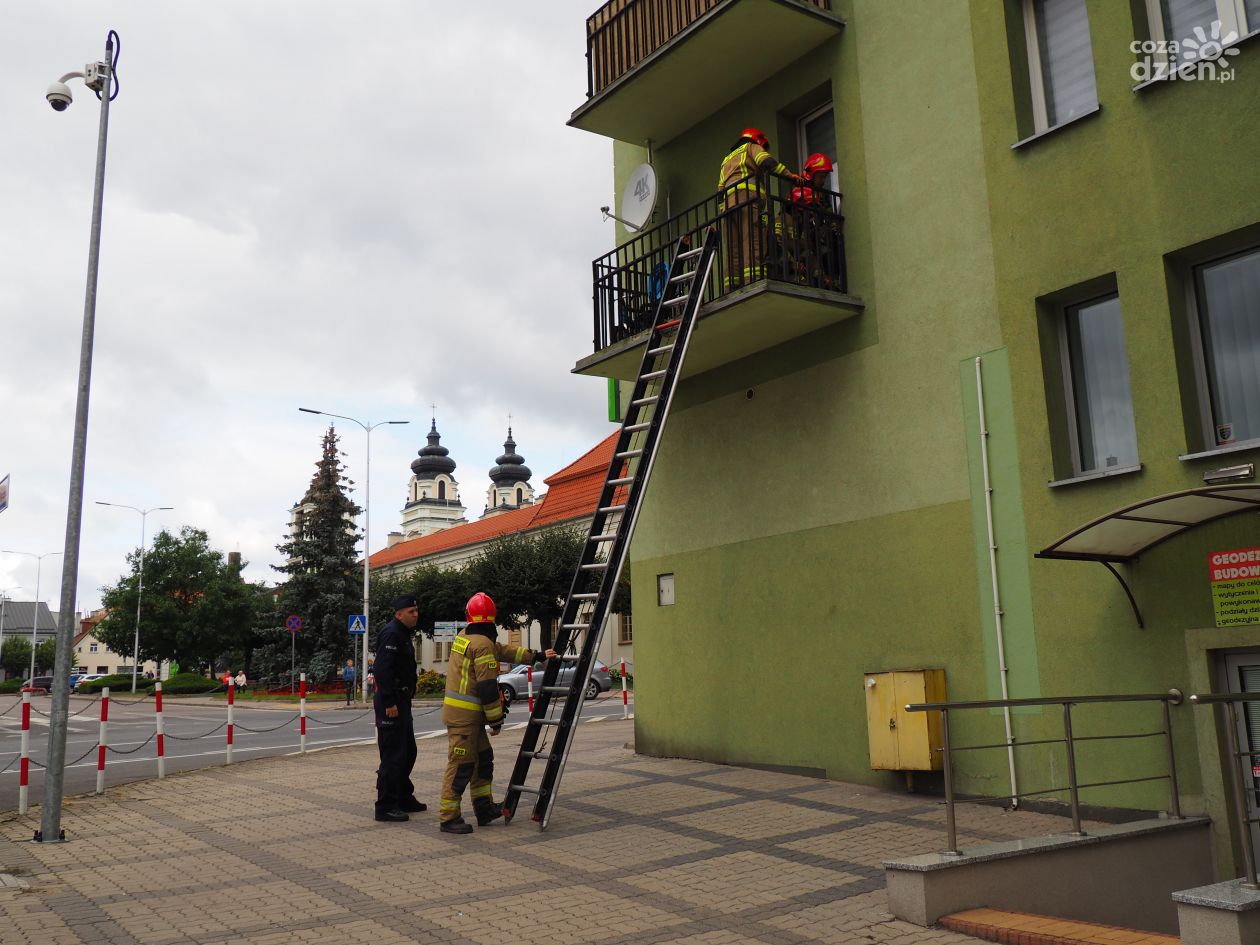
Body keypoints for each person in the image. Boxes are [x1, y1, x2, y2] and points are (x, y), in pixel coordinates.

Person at [438, 592, 556, 834]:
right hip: (465, 719)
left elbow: (502, 650)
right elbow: (488, 688)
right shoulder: (482, 645)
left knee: (483, 762)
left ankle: (484, 809)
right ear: (493, 618)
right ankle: (448, 817)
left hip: (465, 717)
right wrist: (496, 720)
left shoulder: (467, 637)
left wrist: (537, 656)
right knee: (460, 766)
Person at [717, 127, 802, 289]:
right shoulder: (751, 147)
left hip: (727, 207)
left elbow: (720, 191)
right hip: (747, 200)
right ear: (758, 140)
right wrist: (789, 176)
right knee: (752, 242)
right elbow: (767, 162)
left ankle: (731, 287)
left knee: (733, 249)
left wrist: (723, 211)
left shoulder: (726, 160)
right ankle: (753, 282)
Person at [372, 595, 427, 823]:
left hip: (401, 700)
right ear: (399, 614)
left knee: (408, 752)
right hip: (391, 703)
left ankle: (403, 796)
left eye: (416, 610)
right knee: (393, 755)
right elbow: (382, 670)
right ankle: (385, 806)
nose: (416, 614)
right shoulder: (392, 634)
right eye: (411, 611)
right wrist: (389, 702)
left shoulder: (402, 633)